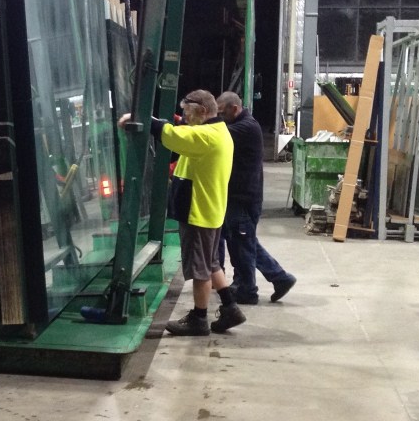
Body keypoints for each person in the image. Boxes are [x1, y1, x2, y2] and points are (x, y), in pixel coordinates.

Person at [118, 90, 245, 336]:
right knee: (210, 263)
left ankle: (199, 319)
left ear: (203, 111)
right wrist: (172, 121)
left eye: (188, 112)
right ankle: (230, 308)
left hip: (199, 212)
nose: (185, 117)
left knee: (200, 270)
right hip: (210, 210)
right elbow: (183, 130)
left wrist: (142, 118)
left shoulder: (206, 136)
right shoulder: (216, 131)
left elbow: (173, 136)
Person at [216, 91, 296, 304]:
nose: (221, 117)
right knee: (242, 241)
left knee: (242, 243)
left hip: (244, 197)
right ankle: (278, 278)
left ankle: (248, 290)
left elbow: (214, 135)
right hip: (239, 196)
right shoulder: (240, 124)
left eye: (222, 113)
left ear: (234, 108)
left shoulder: (246, 127)